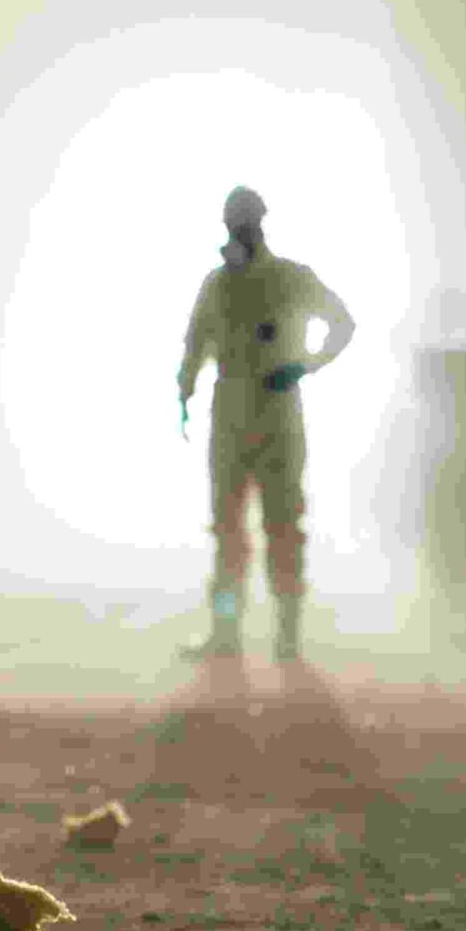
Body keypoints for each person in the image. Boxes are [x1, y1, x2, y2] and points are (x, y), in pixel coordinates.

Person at [175, 185, 357, 662]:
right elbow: (195, 342)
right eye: (234, 223)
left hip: (277, 414)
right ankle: (227, 632)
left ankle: (287, 635)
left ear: (259, 222)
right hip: (232, 413)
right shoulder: (218, 284)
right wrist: (185, 391)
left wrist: (308, 364)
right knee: (228, 528)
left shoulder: (291, 278)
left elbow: (343, 322)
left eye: (244, 222)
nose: (239, 230)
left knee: (282, 524)